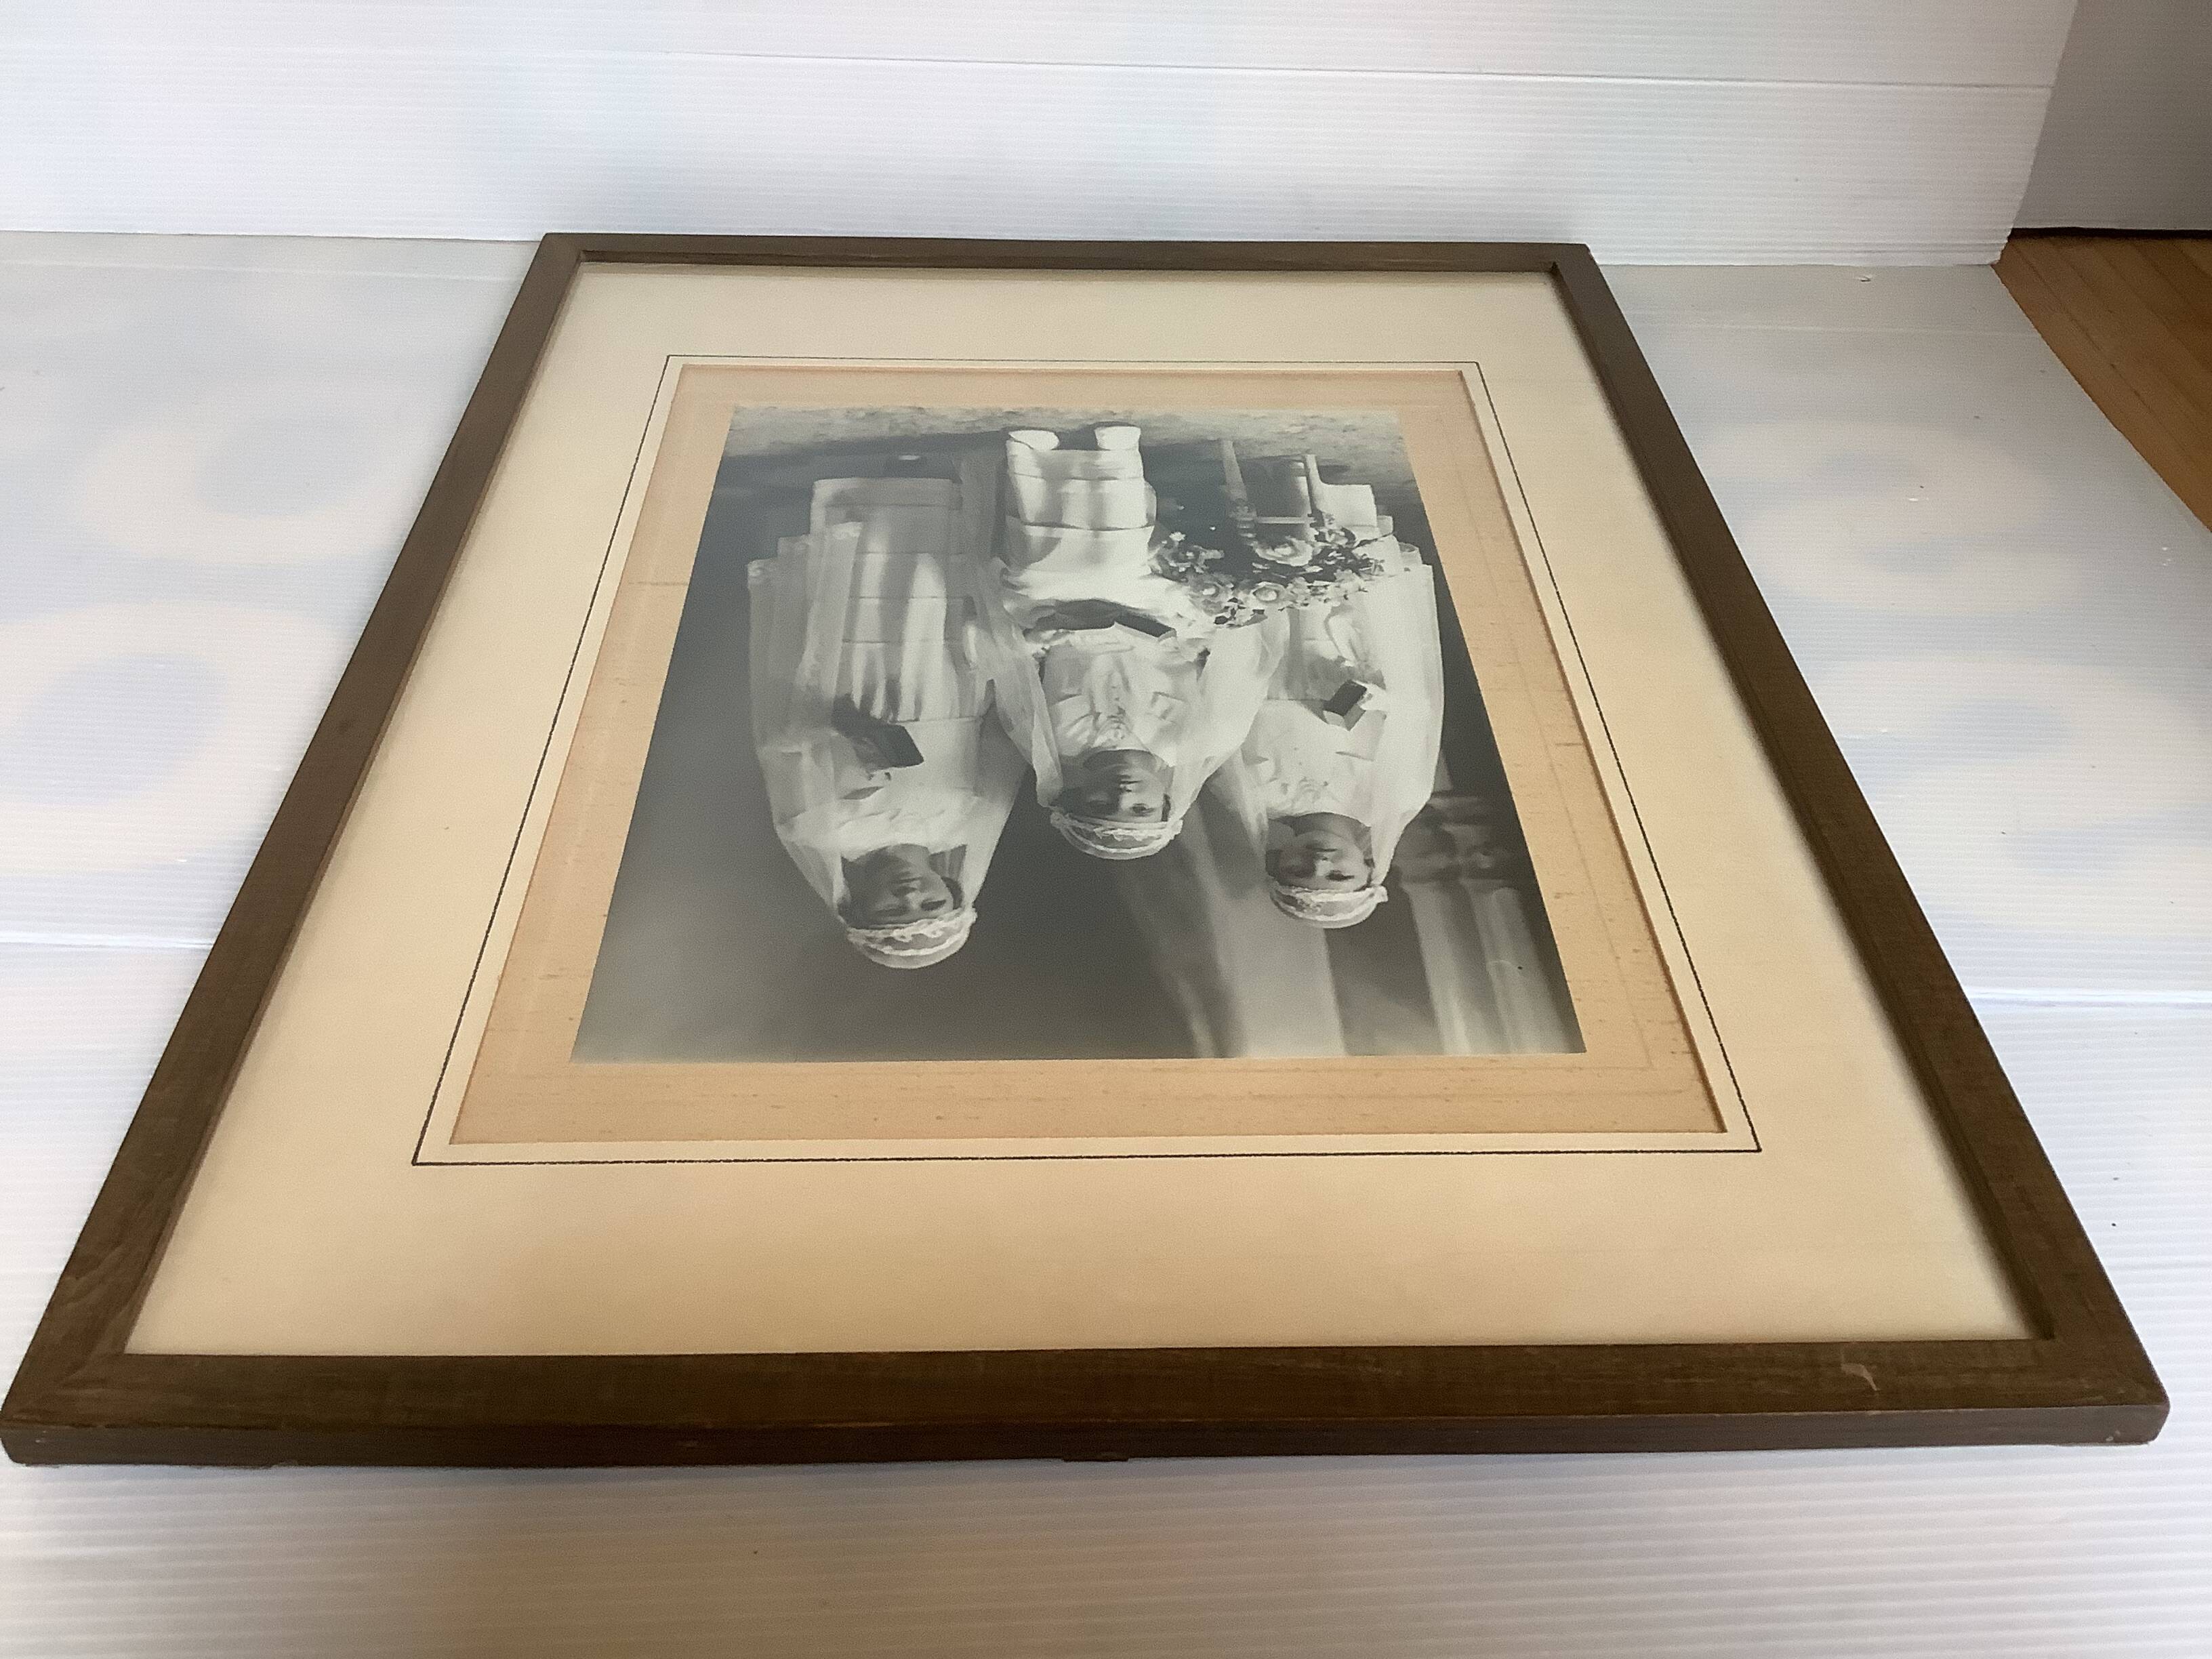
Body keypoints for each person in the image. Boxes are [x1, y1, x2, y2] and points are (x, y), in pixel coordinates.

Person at [749, 471, 1023, 966]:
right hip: (943, 689)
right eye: (931, 905)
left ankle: (857, 493)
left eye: (893, 910)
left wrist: (842, 734)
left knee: (866, 594)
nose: (911, 895)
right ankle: (929, 486)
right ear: (952, 890)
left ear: (855, 905)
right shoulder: (964, 822)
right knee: (929, 591)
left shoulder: (821, 829)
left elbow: (780, 745)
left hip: (852, 690)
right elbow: (999, 742)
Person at [977, 427, 1278, 859]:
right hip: (1163, 615)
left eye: (1101, 805)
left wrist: (1039, 641)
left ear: (1075, 796)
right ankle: (1116, 459)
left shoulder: (1052, 741)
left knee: (1038, 574)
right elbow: (1235, 662)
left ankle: (1033, 464)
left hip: (1067, 614)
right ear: (1166, 802)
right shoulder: (1200, 740)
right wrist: (1195, 632)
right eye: (1140, 808)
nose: (1122, 794)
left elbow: (1015, 669)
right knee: (1114, 567)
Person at [1214, 468, 1446, 926]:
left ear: (1278, 860)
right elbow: (1419, 718)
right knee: (1342, 586)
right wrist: (1386, 700)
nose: (1319, 862)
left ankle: (1269, 494)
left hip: (1276, 664)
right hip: (1355, 663)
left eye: (1299, 871)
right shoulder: (1393, 798)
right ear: (1369, 866)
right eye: (1338, 875)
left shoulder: (1255, 796)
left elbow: (1229, 717)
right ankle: (1333, 496)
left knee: (1274, 574)